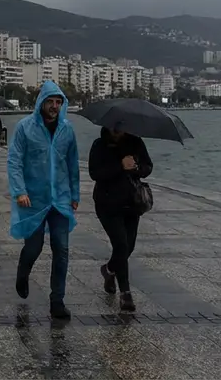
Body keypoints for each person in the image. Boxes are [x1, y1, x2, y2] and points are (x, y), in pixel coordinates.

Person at [8, 81, 79, 320]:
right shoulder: (24, 128)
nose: (54, 106)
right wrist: (20, 191)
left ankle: (57, 300)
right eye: (51, 101)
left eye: (59, 102)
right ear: (42, 102)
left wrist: (75, 194)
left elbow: (72, 164)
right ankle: (23, 272)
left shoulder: (67, 130)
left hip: (60, 199)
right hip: (33, 199)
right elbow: (14, 161)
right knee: (34, 247)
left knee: (61, 249)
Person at [88, 125, 153, 313]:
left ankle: (108, 270)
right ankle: (125, 293)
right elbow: (95, 173)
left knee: (129, 246)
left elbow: (148, 167)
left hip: (132, 203)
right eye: (114, 127)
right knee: (121, 245)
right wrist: (120, 166)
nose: (118, 131)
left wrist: (137, 168)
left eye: (122, 128)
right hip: (107, 204)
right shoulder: (99, 145)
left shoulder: (136, 142)